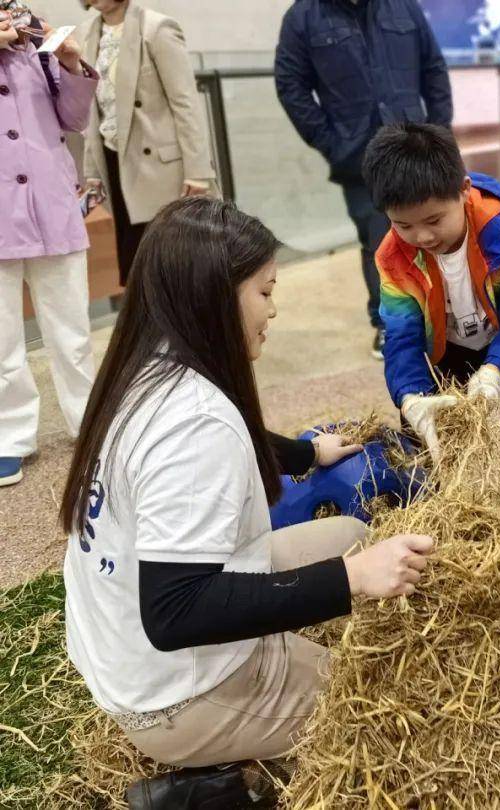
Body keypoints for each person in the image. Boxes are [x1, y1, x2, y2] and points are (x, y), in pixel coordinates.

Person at [60, 196, 435, 807]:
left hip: (122, 647)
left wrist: (307, 454)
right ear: (214, 299)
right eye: (264, 291)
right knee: (394, 714)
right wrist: (350, 581)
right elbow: (176, 612)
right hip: (176, 694)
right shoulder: (194, 427)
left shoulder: (149, 365)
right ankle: (218, 788)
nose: (275, 308)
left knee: (346, 535)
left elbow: (224, 443)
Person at [362, 123, 500, 487]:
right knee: (428, 425)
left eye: (434, 220)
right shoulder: (392, 257)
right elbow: (402, 337)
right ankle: (441, 506)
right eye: (403, 225)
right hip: (449, 335)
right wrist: (409, 397)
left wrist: (494, 369)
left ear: (464, 190)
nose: (422, 237)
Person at [275, 0, 453, 362]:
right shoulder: (303, 17)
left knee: (440, 229)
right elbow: (290, 85)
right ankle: (391, 324)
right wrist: (333, 144)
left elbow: (433, 68)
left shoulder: (403, 8)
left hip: (415, 144)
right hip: (360, 157)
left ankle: (446, 313)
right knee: (380, 242)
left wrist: (438, 134)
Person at [1, 11, 97, 488]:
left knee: (72, 331)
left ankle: (90, 423)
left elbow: (75, 120)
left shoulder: (35, 42)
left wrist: (73, 65)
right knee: (2, 342)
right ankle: (9, 438)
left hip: (52, 205)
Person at [77, 0, 215, 290]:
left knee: (177, 269)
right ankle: (154, 334)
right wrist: (91, 172)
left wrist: (198, 172)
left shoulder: (157, 28)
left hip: (163, 172)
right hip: (117, 167)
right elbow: (91, 112)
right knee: (140, 273)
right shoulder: (87, 34)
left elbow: (185, 103)